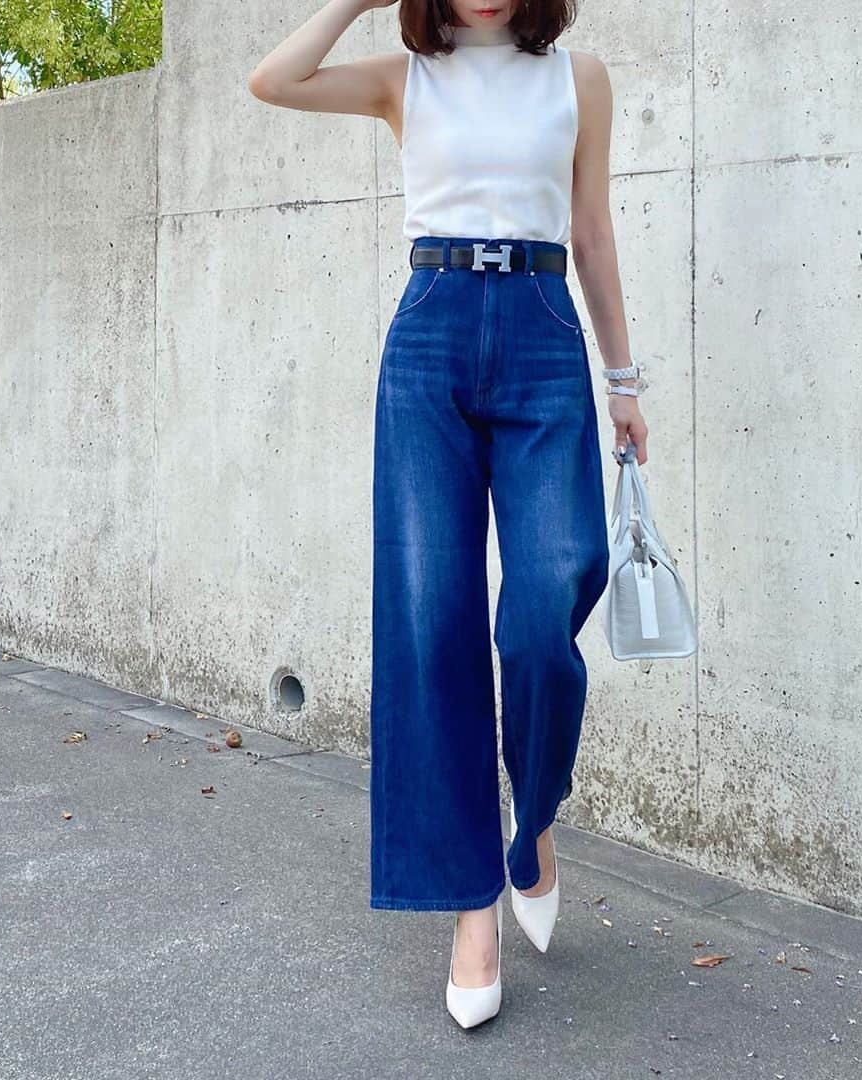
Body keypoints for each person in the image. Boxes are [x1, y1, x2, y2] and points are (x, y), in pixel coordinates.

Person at [248, 0, 649, 1028]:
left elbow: (592, 226)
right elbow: (272, 81)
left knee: (552, 596)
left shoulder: (580, 79)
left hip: (543, 325)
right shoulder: (401, 79)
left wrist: (624, 379)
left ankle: (538, 810)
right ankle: (473, 906)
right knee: (431, 627)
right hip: (428, 339)